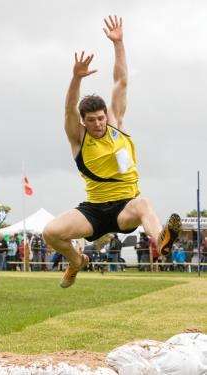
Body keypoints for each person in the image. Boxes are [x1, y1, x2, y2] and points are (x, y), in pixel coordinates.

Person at [43, 15, 181, 288]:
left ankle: (161, 241)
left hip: (124, 207)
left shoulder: (116, 124)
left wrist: (118, 43)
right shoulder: (78, 137)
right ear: (84, 121)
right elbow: (69, 108)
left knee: (144, 203)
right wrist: (75, 78)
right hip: (94, 209)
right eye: (91, 120)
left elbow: (121, 81)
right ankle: (76, 261)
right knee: (50, 232)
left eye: (101, 118)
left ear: (107, 115)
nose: (97, 124)